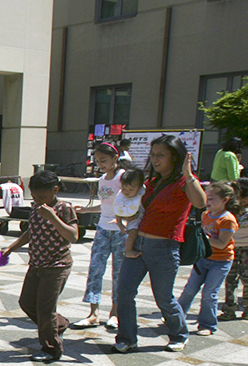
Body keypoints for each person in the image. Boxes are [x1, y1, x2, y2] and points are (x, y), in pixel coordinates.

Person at [114, 135, 207, 354]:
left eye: (161, 155)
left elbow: (200, 203)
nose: (155, 159)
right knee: (124, 292)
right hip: (138, 244)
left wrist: (188, 175)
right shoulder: (151, 182)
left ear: (174, 156)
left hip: (164, 247)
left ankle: (179, 334)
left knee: (164, 298)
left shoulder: (184, 181)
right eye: (153, 154)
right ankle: (127, 338)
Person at [0, 170, 79, 362]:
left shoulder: (64, 208)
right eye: (34, 197)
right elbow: (31, 232)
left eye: (42, 197)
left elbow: (73, 235)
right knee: (26, 302)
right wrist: (11, 247)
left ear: (55, 190)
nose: (38, 200)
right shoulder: (36, 208)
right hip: (36, 264)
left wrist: (53, 217)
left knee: (45, 309)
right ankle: (59, 324)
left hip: (57, 265)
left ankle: (51, 349)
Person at [72, 143, 125, 330]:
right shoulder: (102, 179)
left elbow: (136, 201)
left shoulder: (124, 177)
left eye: (104, 160)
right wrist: (86, 210)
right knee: (95, 269)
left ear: (115, 158)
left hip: (121, 230)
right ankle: (93, 313)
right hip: (103, 228)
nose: (100, 164)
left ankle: (115, 312)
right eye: (97, 161)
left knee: (119, 272)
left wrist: (125, 220)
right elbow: (105, 205)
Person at [177, 181, 238, 335]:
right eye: (206, 197)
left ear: (225, 200)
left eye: (211, 198)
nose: (207, 201)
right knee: (189, 289)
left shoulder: (228, 220)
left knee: (209, 294)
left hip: (221, 262)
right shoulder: (205, 215)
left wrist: (201, 238)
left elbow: (221, 243)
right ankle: (176, 317)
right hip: (203, 259)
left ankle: (207, 325)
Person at [220, 177, 248, 321]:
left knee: (247, 278)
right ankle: (229, 308)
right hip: (231, 247)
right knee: (230, 278)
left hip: (246, 247)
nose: (240, 200)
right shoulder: (230, 209)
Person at [115, 166, 146, 258]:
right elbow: (117, 209)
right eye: (124, 188)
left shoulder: (143, 192)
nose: (126, 192)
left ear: (139, 187)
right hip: (133, 219)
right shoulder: (121, 196)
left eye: (131, 190)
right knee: (133, 232)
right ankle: (128, 250)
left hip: (144, 217)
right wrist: (119, 223)